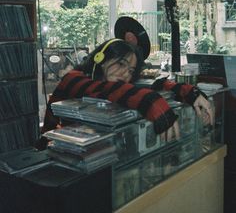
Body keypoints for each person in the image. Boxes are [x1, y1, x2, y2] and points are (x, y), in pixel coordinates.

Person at [41, 38, 213, 144]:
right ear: (100, 59)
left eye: (130, 70)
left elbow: (152, 84)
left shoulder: (116, 82)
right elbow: (106, 90)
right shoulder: (73, 78)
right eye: (121, 64)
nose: (125, 74)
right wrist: (151, 102)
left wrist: (191, 93)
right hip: (53, 152)